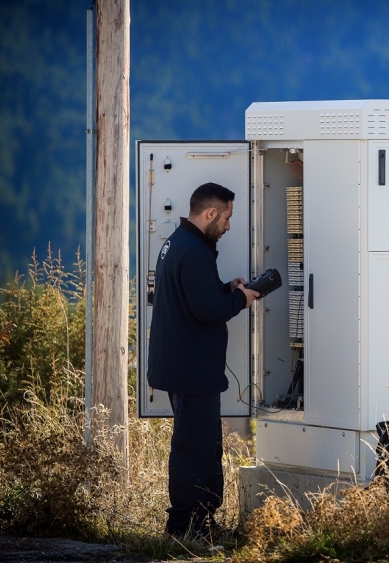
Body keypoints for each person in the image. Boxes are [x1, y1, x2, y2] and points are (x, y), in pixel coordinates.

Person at [147, 182, 259, 539]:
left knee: (203, 446)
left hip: (184, 367)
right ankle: (184, 529)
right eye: (226, 217)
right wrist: (242, 300)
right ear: (210, 213)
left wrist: (228, 288)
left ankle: (201, 522)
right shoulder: (195, 252)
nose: (227, 226)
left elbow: (195, 296)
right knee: (193, 450)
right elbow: (208, 310)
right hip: (192, 371)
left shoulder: (178, 244)